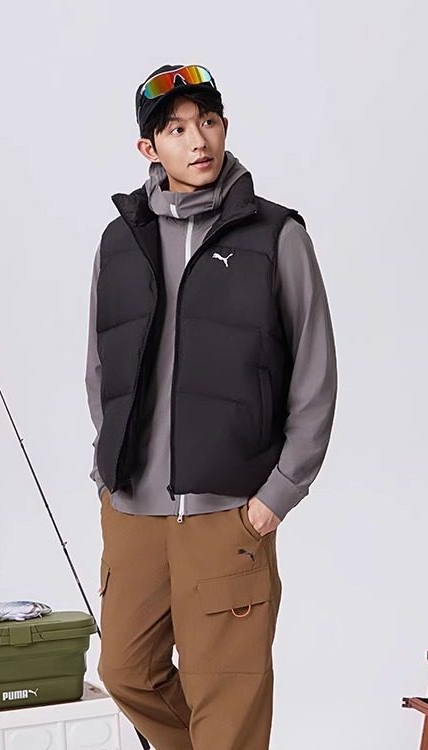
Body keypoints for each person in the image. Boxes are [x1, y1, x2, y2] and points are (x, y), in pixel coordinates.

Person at [84, 63, 338, 750]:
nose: (198, 140)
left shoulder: (275, 235)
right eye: (176, 129)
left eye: (208, 122)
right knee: (125, 671)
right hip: (132, 509)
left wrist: (275, 497)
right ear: (148, 147)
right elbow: (100, 366)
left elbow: (314, 372)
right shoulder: (119, 240)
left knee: (227, 702)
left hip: (229, 513)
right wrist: (109, 473)